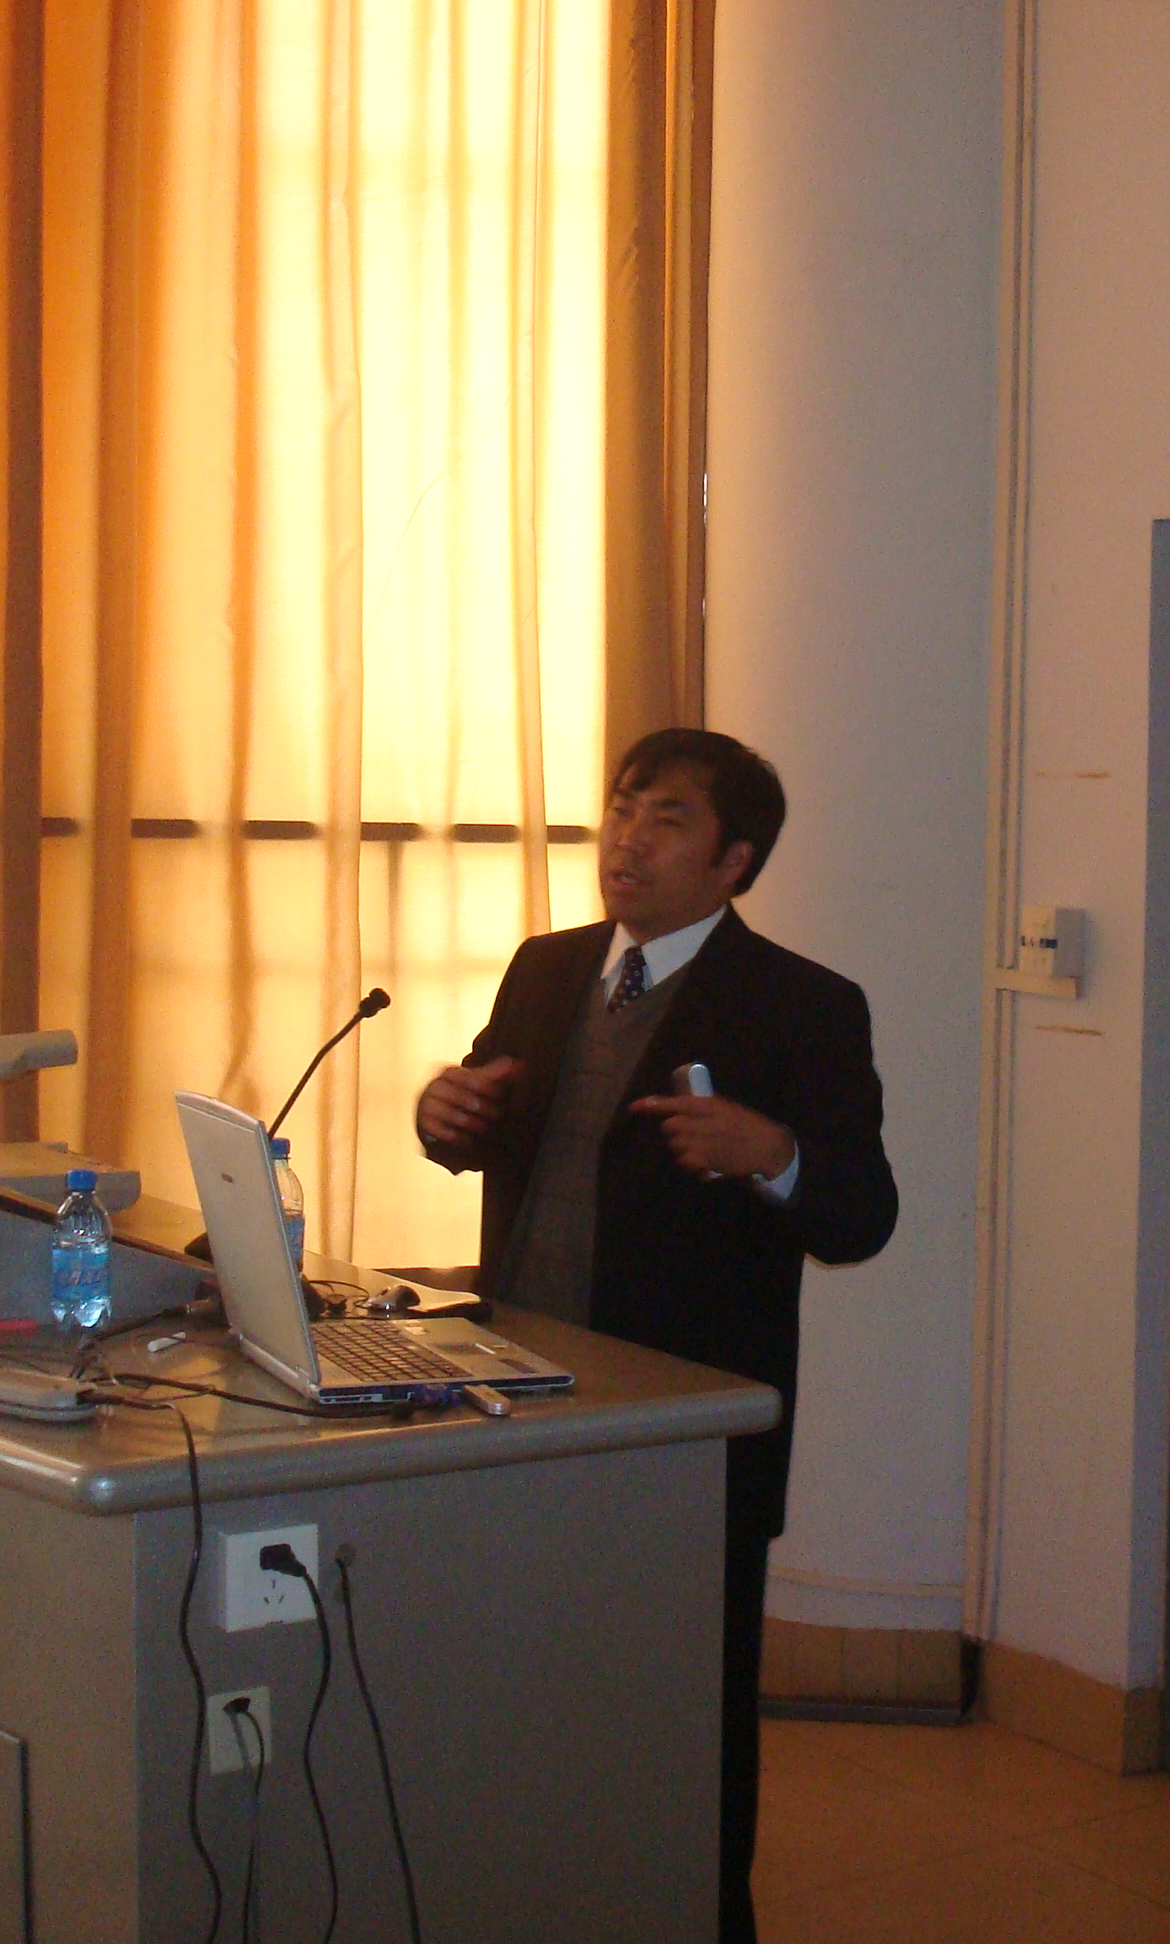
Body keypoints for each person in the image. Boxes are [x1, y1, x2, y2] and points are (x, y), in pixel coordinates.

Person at [416, 727, 898, 1943]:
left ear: (735, 861)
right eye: (624, 805)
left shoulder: (804, 1004)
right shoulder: (545, 967)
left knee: (688, 1712)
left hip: (688, 1431)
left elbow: (861, 1214)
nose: (626, 836)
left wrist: (774, 1155)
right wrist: (442, 1112)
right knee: (525, 1684)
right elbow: (489, 1122)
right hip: (519, 1394)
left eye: (667, 817)